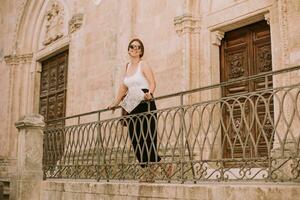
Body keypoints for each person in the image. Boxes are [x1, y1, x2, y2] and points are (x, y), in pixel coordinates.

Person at [108, 38, 164, 181]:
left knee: (147, 137)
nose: (135, 48)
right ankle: (156, 167)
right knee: (135, 138)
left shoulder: (143, 64)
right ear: (128, 50)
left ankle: (149, 173)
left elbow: (152, 82)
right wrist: (115, 102)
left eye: (138, 47)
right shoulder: (127, 66)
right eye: (132, 46)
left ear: (141, 50)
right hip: (131, 104)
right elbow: (124, 87)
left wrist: (150, 94)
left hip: (145, 101)